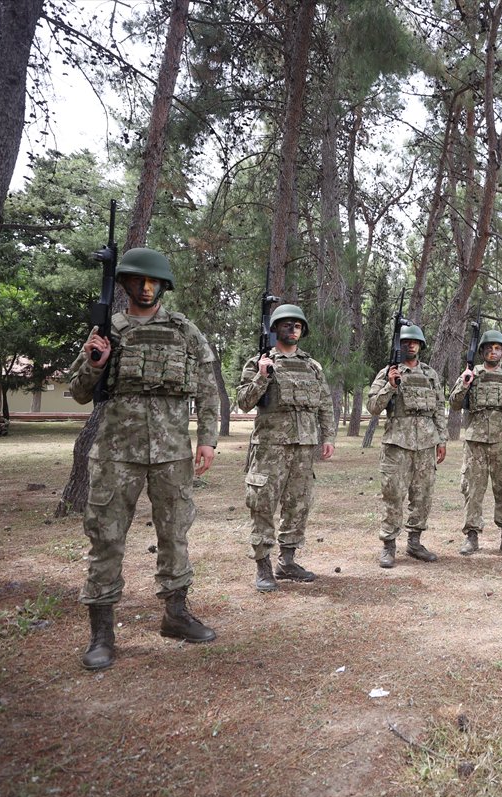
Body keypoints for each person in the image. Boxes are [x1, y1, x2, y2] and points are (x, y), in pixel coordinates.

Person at [67, 247, 219, 671]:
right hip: (118, 453)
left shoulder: (186, 331)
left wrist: (208, 439)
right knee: (106, 537)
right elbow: (79, 391)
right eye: (138, 281)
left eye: (153, 282)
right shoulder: (108, 331)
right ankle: (101, 632)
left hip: (172, 452)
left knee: (176, 533)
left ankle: (175, 614)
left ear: (163, 287)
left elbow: (208, 388)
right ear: (126, 285)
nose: (146, 288)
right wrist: (96, 362)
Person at [235, 304, 335, 591]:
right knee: (263, 504)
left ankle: (287, 561)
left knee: (298, 504)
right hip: (270, 447)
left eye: (298, 325)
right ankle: (263, 566)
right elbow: (243, 402)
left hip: (304, 448)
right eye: (287, 324)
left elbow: (325, 405)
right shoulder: (259, 362)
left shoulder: (312, 366)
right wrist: (262, 376)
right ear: (275, 328)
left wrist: (328, 437)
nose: (293, 329)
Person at [365, 324, 447, 568]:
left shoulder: (430, 375)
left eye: (415, 342)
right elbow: (373, 407)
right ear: (399, 345)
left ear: (420, 345)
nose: (410, 345)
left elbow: (439, 409)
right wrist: (391, 386)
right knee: (393, 496)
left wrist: (441, 439)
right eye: (406, 342)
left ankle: (414, 542)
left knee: (422, 496)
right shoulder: (387, 372)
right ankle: (389, 546)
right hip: (397, 445)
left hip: (425, 446)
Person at [448, 330, 502, 556]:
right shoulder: (471, 374)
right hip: (476, 443)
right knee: (473, 489)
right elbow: (454, 404)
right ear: (482, 351)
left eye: (497, 348)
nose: (493, 351)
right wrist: (464, 385)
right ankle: (472, 536)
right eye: (488, 348)